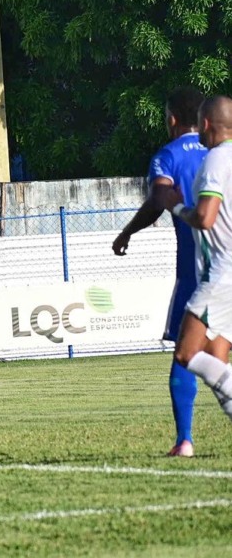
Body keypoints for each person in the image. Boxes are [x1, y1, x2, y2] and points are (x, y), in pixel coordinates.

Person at [114, 86, 206, 457]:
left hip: (197, 272)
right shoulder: (222, 153)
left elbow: (158, 200)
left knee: (187, 354)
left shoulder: (168, 156)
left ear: (171, 119)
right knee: (215, 352)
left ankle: (184, 439)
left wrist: (127, 232)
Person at [159, 95, 232, 436]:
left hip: (220, 273)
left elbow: (204, 218)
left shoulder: (217, 159)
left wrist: (176, 207)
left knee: (187, 355)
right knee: (217, 361)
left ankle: (184, 439)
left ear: (205, 124)